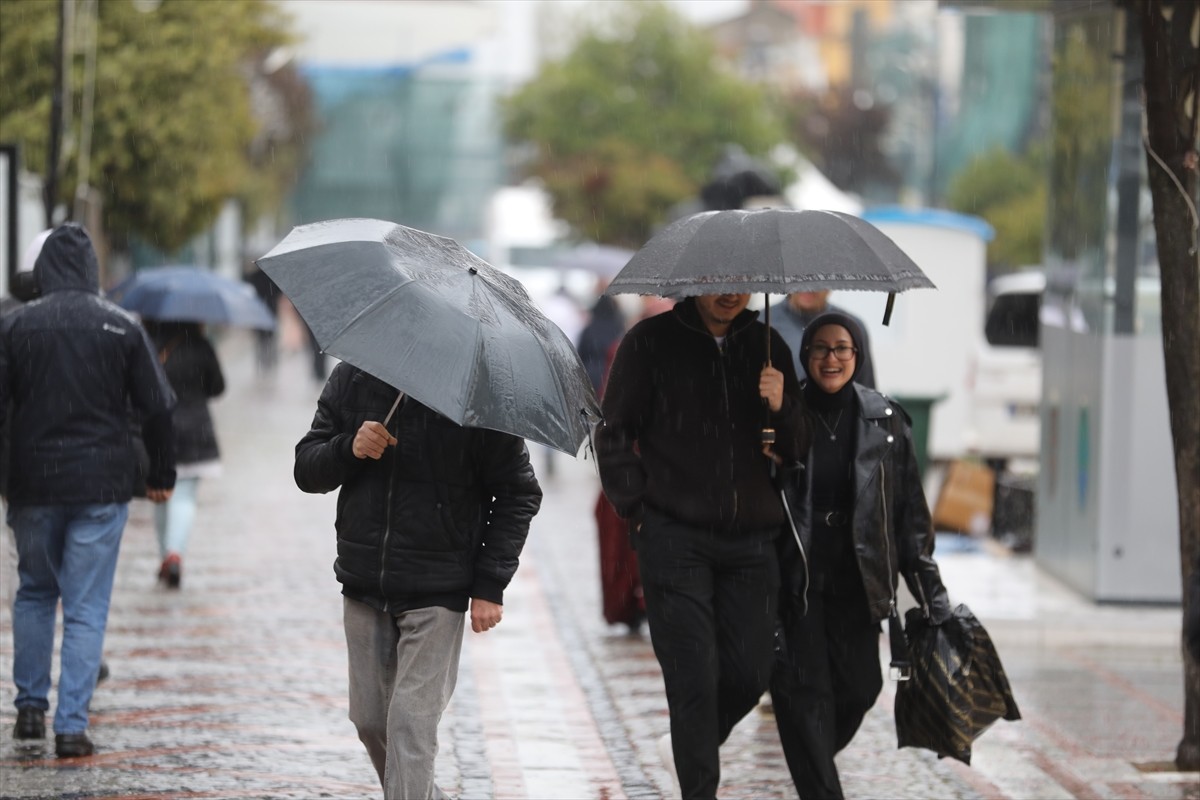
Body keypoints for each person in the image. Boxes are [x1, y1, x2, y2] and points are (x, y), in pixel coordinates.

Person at [293, 362, 542, 799]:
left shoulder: (481, 398)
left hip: (438, 587)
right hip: (364, 577)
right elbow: (306, 469)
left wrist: (489, 584)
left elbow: (518, 493)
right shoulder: (354, 376)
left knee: (410, 724)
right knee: (370, 721)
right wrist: (349, 448)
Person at [596, 293, 810, 799]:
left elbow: (798, 445)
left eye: (738, 280)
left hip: (753, 540)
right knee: (693, 674)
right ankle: (699, 788)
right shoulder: (649, 344)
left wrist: (780, 405)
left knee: (750, 668)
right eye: (717, 280)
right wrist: (638, 506)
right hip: (674, 537)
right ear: (695, 282)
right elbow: (613, 431)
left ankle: (693, 742)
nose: (729, 291)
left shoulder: (769, 346)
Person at [1, 224, 176, 758]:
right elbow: (159, 406)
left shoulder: (15, 326)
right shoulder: (121, 327)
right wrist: (161, 475)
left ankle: (30, 707)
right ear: (93, 271)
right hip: (101, 485)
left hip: (32, 483)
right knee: (85, 606)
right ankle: (70, 726)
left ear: (45, 270)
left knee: (34, 590)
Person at [769, 310, 952, 800]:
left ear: (857, 355)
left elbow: (910, 513)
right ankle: (820, 787)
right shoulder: (782, 415)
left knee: (860, 688)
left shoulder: (884, 419)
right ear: (804, 356)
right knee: (807, 693)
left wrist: (930, 592)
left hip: (859, 576)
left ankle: (811, 763)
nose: (831, 358)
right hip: (798, 579)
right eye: (820, 349)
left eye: (841, 348)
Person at [143, 320, 226, 588]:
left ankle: (164, 555)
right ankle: (174, 553)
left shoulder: (148, 343)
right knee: (185, 495)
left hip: (157, 429)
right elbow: (218, 386)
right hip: (195, 431)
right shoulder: (200, 346)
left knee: (160, 493)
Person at [771, 290, 877, 389]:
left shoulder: (852, 326)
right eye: (801, 276)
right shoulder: (765, 322)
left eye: (841, 348)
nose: (808, 287)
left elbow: (866, 387)